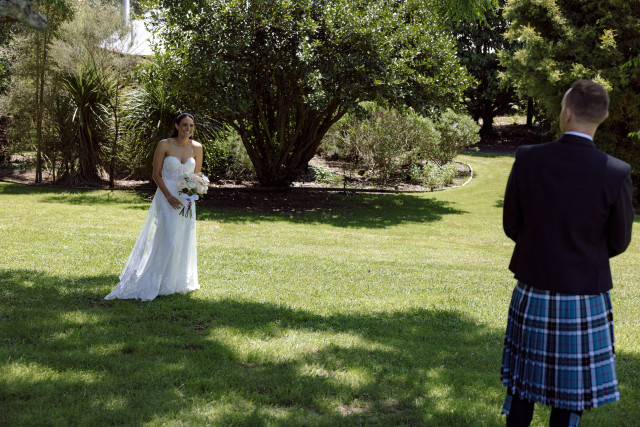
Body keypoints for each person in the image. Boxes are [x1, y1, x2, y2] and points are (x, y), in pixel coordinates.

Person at [500, 80, 634, 426]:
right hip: (584, 295)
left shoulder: (528, 158)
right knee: (570, 396)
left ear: (568, 113)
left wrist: (541, 249)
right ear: (603, 117)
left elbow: (512, 224)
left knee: (522, 387)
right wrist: (583, 256)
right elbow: (619, 240)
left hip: (533, 289)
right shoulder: (616, 172)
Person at [105, 113, 204, 301]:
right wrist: (168, 196)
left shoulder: (197, 148)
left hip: (186, 199)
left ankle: (176, 281)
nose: (188, 129)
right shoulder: (164, 145)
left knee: (182, 238)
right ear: (176, 126)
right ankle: (155, 280)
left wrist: (193, 194)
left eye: (191, 125)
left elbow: (196, 176)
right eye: (184, 125)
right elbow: (156, 174)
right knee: (167, 237)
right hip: (166, 196)